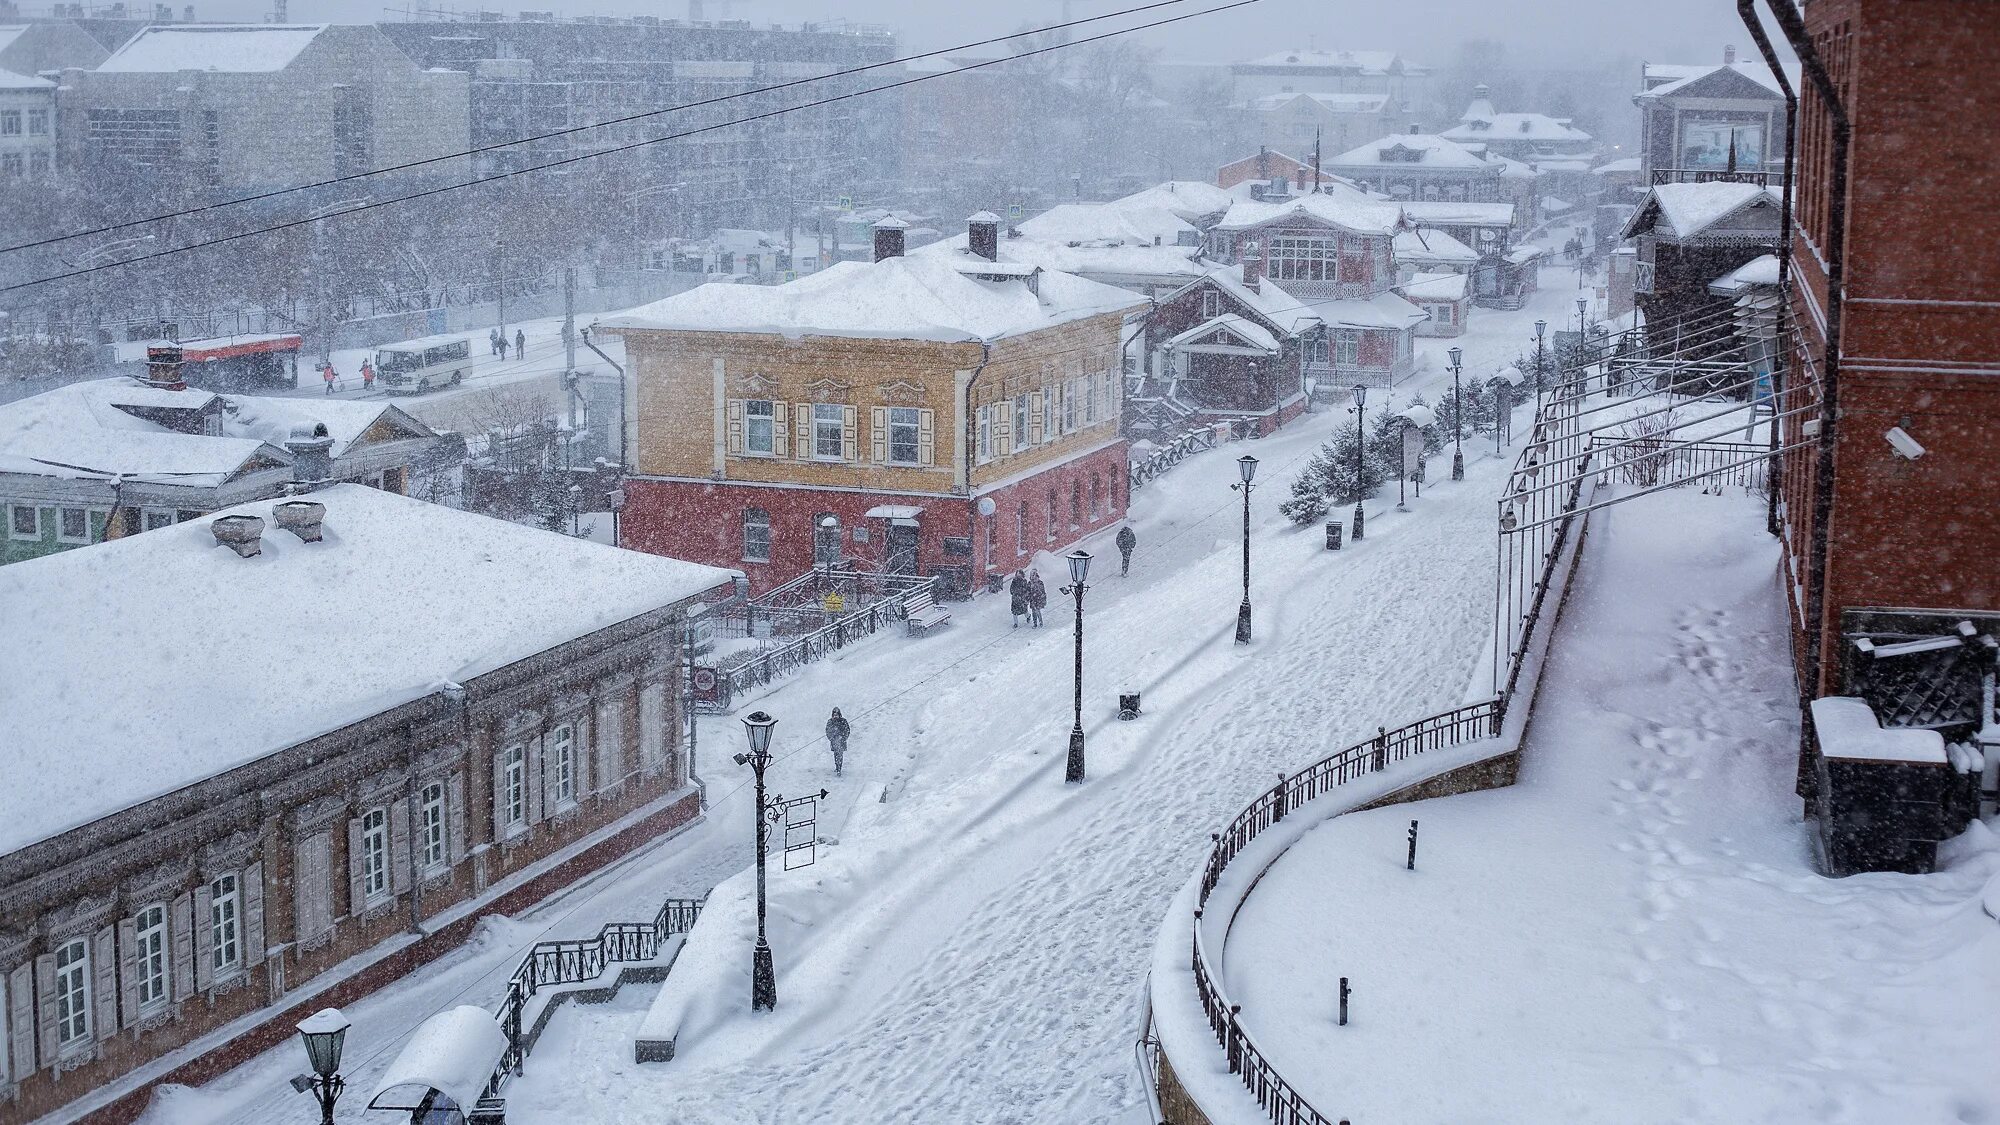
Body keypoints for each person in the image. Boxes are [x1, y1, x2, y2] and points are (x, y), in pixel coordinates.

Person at [825, 708, 851, 777]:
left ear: (839, 714)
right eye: (834, 715)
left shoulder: (843, 721)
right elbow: (827, 731)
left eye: (837, 715)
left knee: (840, 755)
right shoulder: (830, 722)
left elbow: (847, 730)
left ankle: (839, 768)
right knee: (836, 754)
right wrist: (831, 738)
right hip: (834, 741)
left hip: (841, 741)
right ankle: (837, 766)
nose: (835, 716)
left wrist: (843, 738)